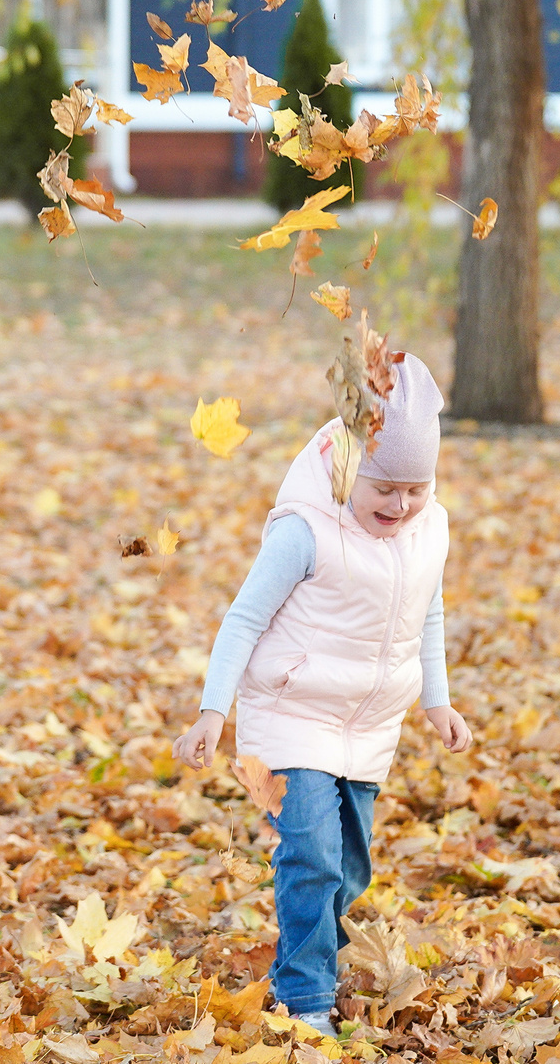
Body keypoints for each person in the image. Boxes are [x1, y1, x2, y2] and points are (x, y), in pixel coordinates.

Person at [172, 355, 474, 1040]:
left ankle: (317, 946)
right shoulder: (304, 528)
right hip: (290, 712)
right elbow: (243, 618)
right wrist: (213, 713)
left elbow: (428, 611)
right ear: (346, 466)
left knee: (351, 864)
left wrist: (438, 699)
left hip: (369, 724)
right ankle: (304, 995)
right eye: (384, 487)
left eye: (415, 488)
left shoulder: (429, 528)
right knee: (310, 852)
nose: (399, 506)